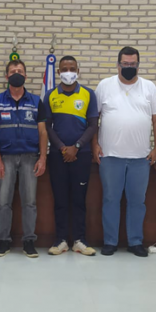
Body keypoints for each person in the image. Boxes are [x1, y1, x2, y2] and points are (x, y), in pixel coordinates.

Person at [93, 46, 156, 257]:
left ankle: (135, 242)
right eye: (125, 64)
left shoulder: (149, 87)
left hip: (140, 157)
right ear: (118, 65)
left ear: (138, 65)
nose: (129, 67)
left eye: (133, 64)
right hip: (110, 155)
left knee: (137, 202)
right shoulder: (104, 85)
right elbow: (93, 118)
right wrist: (94, 145)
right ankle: (110, 241)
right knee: (110, 200)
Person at [0, 59, 47, 258]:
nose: (16, 74)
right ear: (6, 76)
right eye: (13, 71)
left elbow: (43, 132)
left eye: (20, 71)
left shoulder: (36, 101)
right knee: (3, 201)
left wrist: (43, 158)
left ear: (26, 76)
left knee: (29, 201)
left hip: (30, 157)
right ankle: (3, 240)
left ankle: (29, 241)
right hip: (5, 158)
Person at [42, 55, 98, 256]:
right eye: (64, 69)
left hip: (82, 155)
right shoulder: (50, 95)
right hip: (58, 156)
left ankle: (80, 240)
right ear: (58, 72)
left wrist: (76, 146)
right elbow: (47, 126)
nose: (68, 72)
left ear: (78, 71)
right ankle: (61, 240)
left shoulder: (88, 94)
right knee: (60, 200)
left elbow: (93, 125)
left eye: (72, 68)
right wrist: (62, 148)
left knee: (79, 200)